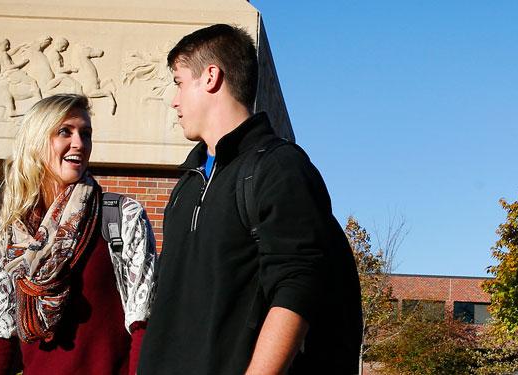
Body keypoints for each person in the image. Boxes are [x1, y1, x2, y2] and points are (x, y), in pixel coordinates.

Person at [138, 24, 362, 375]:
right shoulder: (188, 183)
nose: (174, 99)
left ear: (211, 77)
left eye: (179, 82)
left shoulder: (279, 168)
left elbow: (298, 285)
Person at [0, 94, 156, 375]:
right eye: (65, 131)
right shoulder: (12, 232)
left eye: (85, 133)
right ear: (37, 142)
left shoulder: (121, 216)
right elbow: (0, 337)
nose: (79, 143)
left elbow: (143, 323)